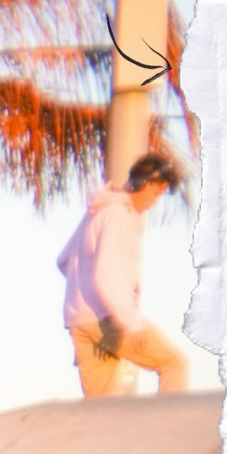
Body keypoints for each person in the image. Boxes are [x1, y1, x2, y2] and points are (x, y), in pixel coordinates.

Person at [56, 149, 190, 398]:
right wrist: (130, 319)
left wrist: (82, 291)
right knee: (173, 364)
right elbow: (107, 273)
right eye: (155, 193)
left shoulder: (97, 211)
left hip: (79, 321)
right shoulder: (119, 215)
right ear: (143, 183)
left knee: (101, 407)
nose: (154, 202)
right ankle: (167, 425)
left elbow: (64, 260)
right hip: (107, 319)